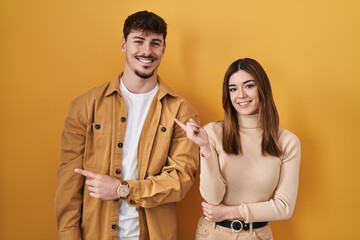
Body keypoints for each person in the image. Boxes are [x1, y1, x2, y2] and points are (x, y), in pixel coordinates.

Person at [55, 10, 200, 240]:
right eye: (139, 41)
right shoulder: (85, 105)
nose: (147, 51)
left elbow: (180, 180)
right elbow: (69, 182)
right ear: (124, 44)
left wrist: (123, 189)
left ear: (163, 49)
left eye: (155, 43)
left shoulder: (181, 112)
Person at [175, 58, 301, 239]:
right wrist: (205, 149)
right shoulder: (212, 132)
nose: (240, 95)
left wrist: (229, 212)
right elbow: (213, 199)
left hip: (256, 235)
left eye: (249, 86)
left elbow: (284, 207)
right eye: (233, 89)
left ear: (262, 89)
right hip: (212, 233)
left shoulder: (287, 142)